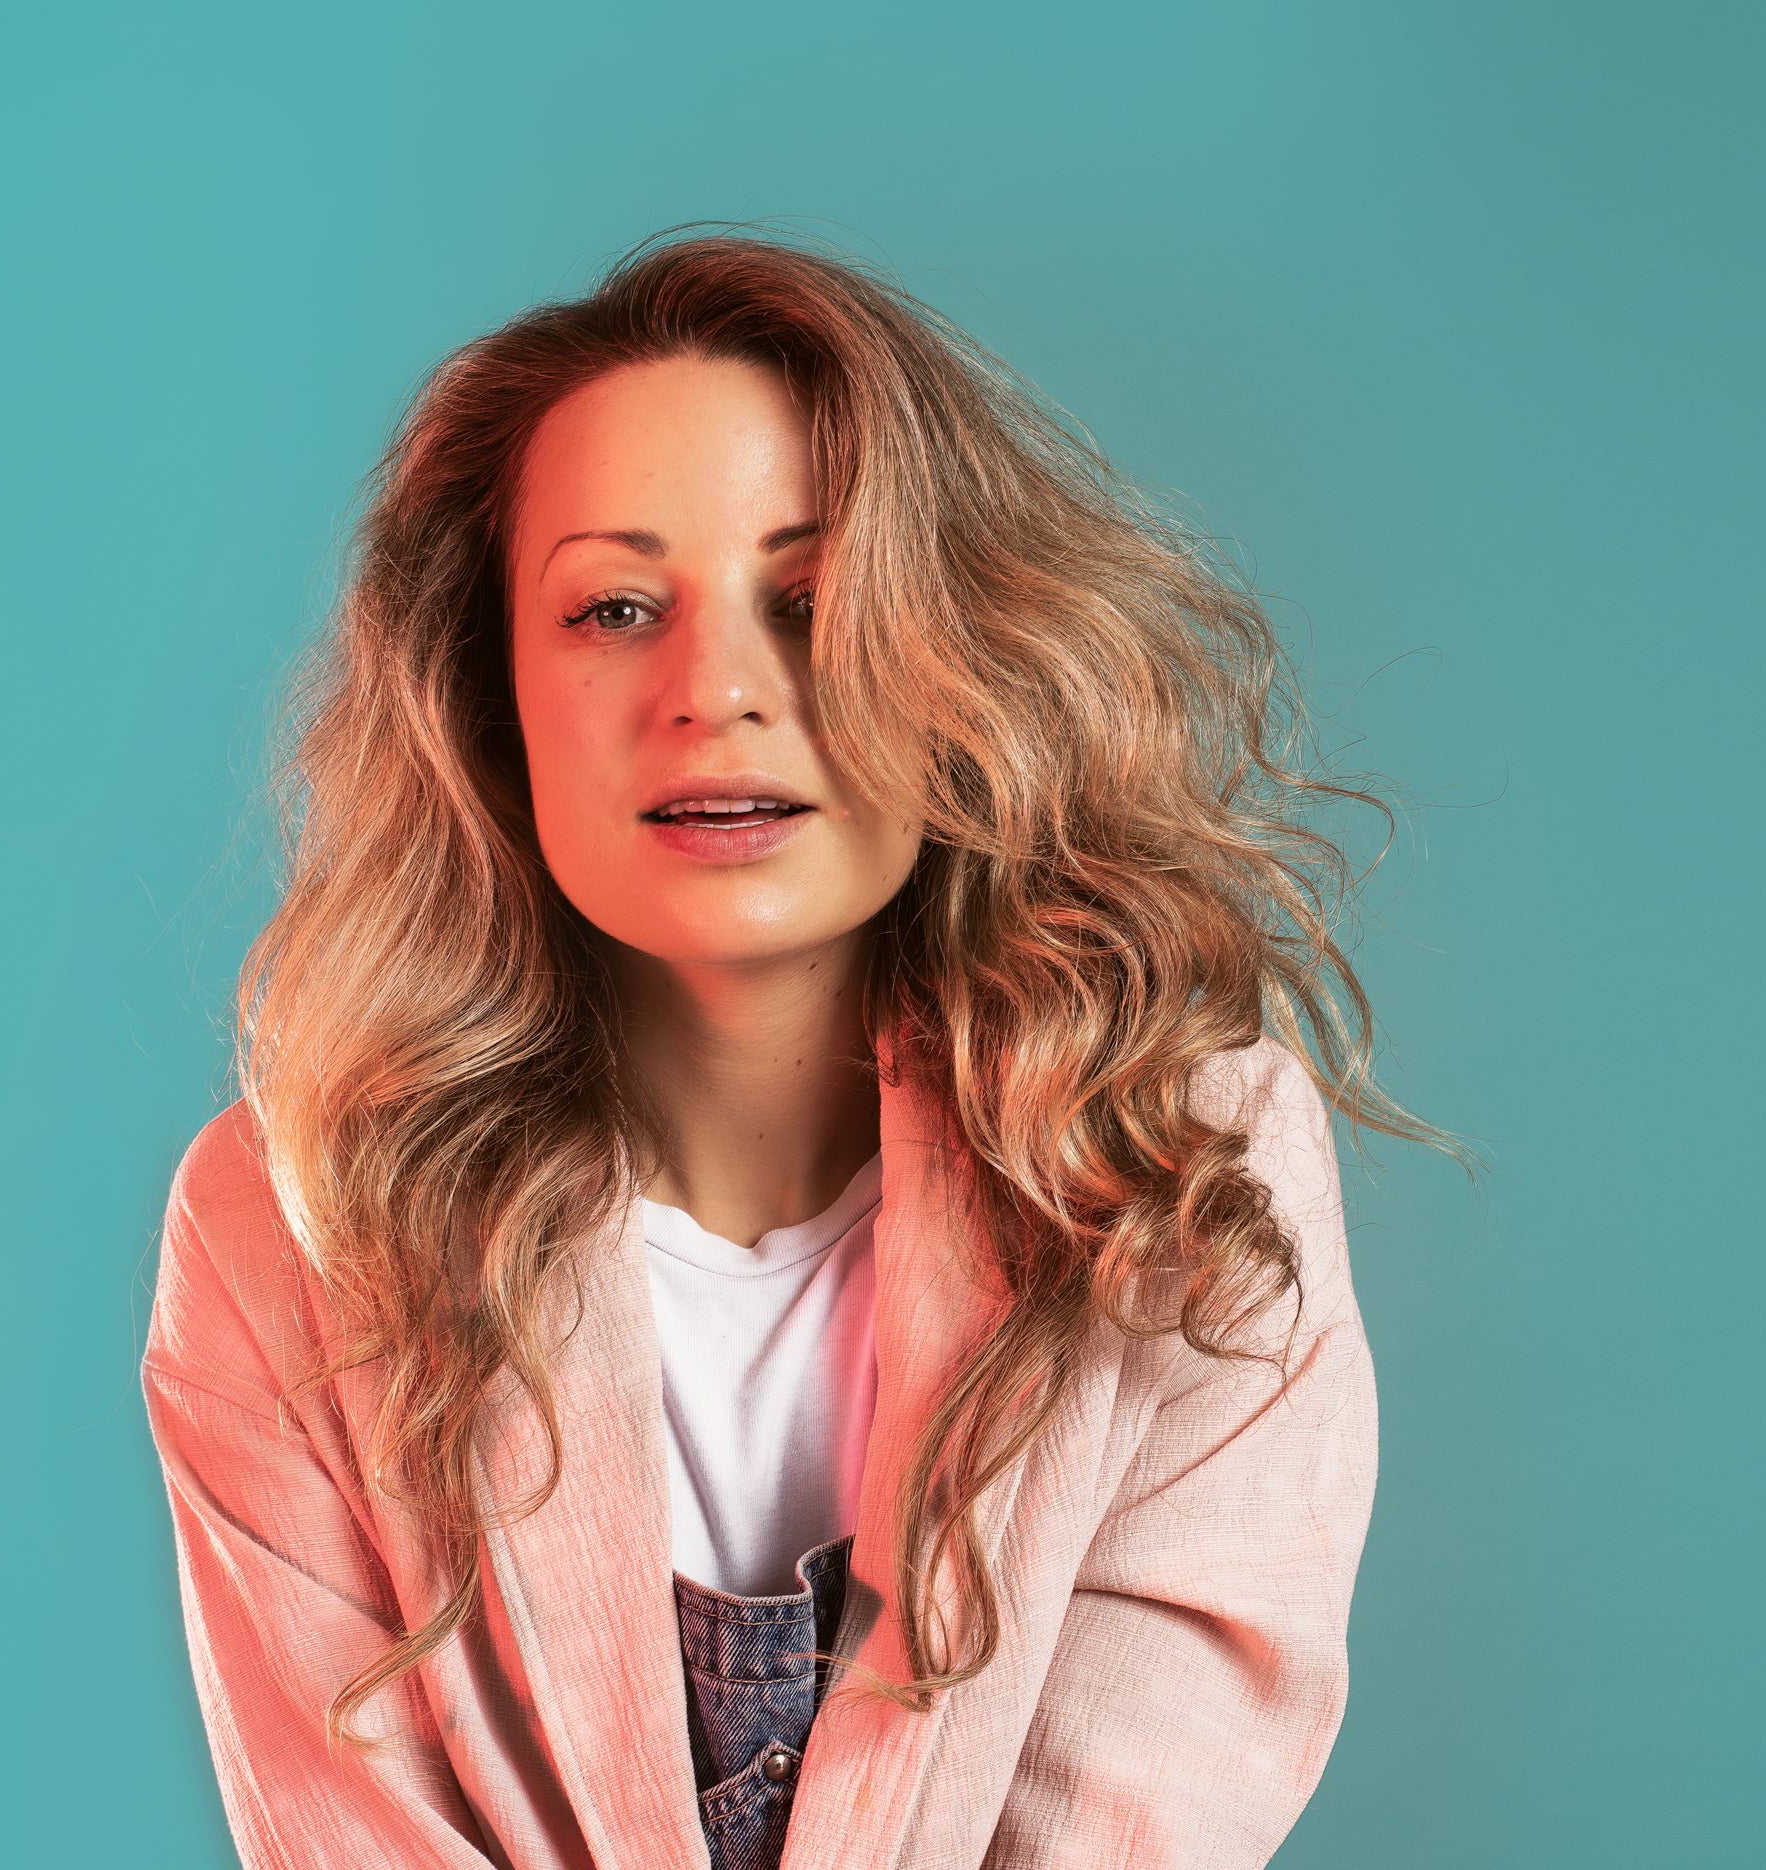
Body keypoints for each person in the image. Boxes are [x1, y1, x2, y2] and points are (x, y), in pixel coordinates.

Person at [141, 233, 1450, 1870]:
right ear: (491, 689)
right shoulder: (289, 1225)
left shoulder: (1179, 1162)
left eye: (814, 598)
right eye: (614, 607)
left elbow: (1143, 1812)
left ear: (955, 657)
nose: (717, 691)